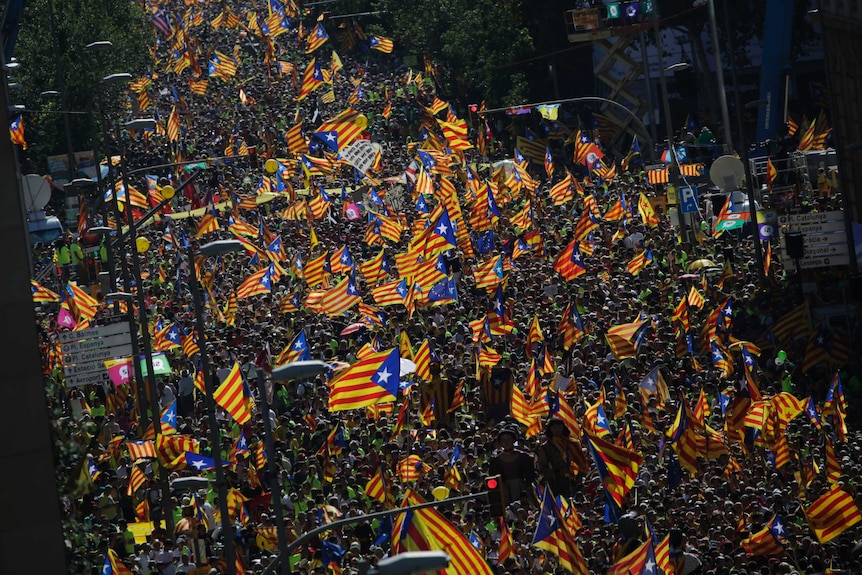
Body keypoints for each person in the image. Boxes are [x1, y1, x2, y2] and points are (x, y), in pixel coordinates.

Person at [537, 419, 586, 498]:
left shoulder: (571, 443)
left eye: (559, 426)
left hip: (573, 478)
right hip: (556, 480)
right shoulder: (545, 447)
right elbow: (543, 465)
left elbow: (579, 460)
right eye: (554, 427)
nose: (557, 429)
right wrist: (552, 474)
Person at [489, 427, 535, 504]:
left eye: (508, 439)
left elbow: (530, 474)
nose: (506, 442)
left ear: (513, 440)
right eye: (503, 440)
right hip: (505, 490)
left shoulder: (523, 456)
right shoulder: (496, 460)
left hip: (522, 487)